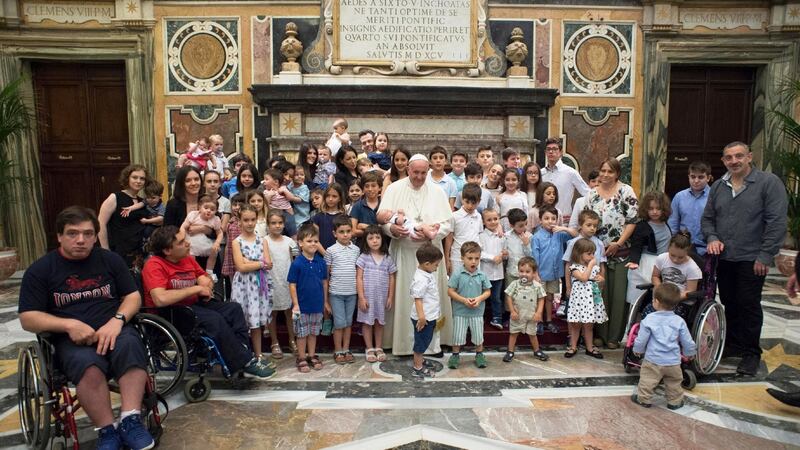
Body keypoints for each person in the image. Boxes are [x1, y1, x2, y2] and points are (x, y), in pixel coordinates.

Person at [19, 206, 155, 450]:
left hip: (114, 329)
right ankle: (107, 430)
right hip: (70, 340)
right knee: (88, 367)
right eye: (72, 233)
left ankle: (131, 419)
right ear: (59, 236)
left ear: (95, 236)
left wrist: (117, 320)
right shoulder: (41, 270)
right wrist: (68, 324)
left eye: (88, 234)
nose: (81, 240)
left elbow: (133, 296)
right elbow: (28, 318)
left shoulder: (109, 260)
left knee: (132, 347)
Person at [142, 226, 275, 378]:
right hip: (171, 313)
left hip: (192, 306)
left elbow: (206, 278)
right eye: (181, 242)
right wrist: (196, 289)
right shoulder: (154, 265)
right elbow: (160, 299)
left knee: (234, 309)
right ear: (167, 250)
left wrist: (205, 283)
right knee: (214, 319)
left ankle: (242, 355)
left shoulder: (187, 259)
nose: (187, 243)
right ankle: (243, 361)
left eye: (185, 239)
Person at [702, 141, 787, 376]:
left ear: (749, 157)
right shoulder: (719, 186)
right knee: (730, 302)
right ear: (723, 161)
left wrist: (765, 255)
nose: (734, 161)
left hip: (752, 258)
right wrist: (712, 237)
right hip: (725, 258)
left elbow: (777, 222)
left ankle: (751, 353)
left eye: (739, 156)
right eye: (729, 157)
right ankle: (734, 344)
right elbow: (708, 219)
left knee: (749, 304)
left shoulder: (769, 183)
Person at [380, 154, 454, 355]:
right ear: (408, 170)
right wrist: (392, 231)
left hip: (430, 257)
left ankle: (431, 344)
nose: (419, 177)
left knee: (430, 300)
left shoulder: (437, 191)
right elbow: (382, 219)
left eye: (423, 173)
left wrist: (432, 233)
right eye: (416, 173)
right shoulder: (394, 189)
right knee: (406, 298)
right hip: (404, 254)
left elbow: (448, 224)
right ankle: (403, 344)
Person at [585, 157, 639, 349]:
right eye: (603, 171)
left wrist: (618, 243)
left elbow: (632, 221)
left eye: (610, 171)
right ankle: (600, 333)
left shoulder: (626, 191)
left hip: (620, 251)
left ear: (617, 174)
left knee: (617, 296)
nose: (606, 175)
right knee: (600, 293)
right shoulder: (592, 194)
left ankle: (614, 336)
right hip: (597, 253)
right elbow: (587, 220)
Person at [631, 283, 696, 410]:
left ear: (656, 301)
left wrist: (637, 350)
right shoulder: (679, 321)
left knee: (647, 381)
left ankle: (643, 399)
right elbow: (687, 341)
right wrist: (689, 353)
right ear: (676, 304)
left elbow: (641, 339)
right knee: (674, 383)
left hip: (653, 360)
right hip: (673, 361)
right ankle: (675, 402)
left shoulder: (649, 319)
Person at [230, 205, 273, 361]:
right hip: (243, 285)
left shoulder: (263, 241)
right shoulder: (237, 242)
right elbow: (240, 267)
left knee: (256, 321)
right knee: (243, 320)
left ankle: (259, 354)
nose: (249, 223)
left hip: (258, 286)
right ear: (240, 221)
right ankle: (244, 354)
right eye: (246, 220)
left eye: (252, 219)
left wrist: (251, 262)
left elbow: (269, 263)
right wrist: (259, 263)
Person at [288, 223, 329, 373]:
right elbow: (292, 285)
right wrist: (296, 304)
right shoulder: (297, 263)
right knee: (302, 333)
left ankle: (312, 355)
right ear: (300, 243)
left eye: (315, 241)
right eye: (309, 241)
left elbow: (324, 283)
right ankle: (301, 357)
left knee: (313, 332)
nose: (313, 244)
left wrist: (325, 302)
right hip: (302, 307)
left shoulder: (321, 262)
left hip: (317, 305)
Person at [531, 206, 576, 334]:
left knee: (550, 297)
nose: (550, 221)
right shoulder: (537, 237)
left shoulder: (560, 234)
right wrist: (536, 274)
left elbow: (576, 235)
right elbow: (535, 256)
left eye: (553, 218)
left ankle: (549, 320)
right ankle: (538, 321)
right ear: (540, 220)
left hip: (555, 274)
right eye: (546, 218)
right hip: (541, 274)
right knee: (540, 298)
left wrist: (563, 228)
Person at [447, 241, 492, 369]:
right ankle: (455, 355)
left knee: (478, 335)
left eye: (476, 259)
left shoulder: (482, 275)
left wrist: (479, 298)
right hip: (460, 312)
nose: (473, 261)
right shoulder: (457, 274)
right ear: (462, 259)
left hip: (477, 312)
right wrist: (463, 300)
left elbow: (488, 291)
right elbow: (450, 291)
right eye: (470, 258)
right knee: (458, 335)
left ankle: (479, 354)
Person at [356, 225, 397, 363]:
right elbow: (359, 278)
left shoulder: (387, 258)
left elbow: (392, 276)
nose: (374, 240)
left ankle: (379, 347)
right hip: (367, 297)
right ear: (366, 241)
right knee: (367, 323)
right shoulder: (364, 257)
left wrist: (390, 296)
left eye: (377, 237)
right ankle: (369, 348)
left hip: (381, 298)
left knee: (379, 322)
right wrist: (361, 297)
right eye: (371, 238)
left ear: (382, 239)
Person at [325, 214, 361, 364]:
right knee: (339, 323)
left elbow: (358, 272)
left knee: (347, 322)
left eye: (348, 231)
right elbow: (326, 276)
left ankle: (346, 349)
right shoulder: (330, 250)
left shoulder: (356, 250)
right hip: (336, 293)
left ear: (352, 232)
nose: (345, 234)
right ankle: (338, 350)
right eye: (341, 231)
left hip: (352, 293)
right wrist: (326, 299)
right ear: (335, 233)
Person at [98, 164, 150, 268]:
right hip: (120, 253)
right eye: (134, 177)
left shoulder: (143, 201)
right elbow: (100, 223)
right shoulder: (115, 197)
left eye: (142, 178)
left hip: (140, 254)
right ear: (127, 178)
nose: (138, 181)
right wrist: (106, 251)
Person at [625, 192, 673, 304]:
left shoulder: (665, 223)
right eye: (651, 208)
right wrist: (634, 261)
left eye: (658, 208)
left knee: (659, 299)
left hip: (664, 264)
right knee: (641, 300)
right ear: (645, 209)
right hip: (647, 265)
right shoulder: (642, 226)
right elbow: (636, 246)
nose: (654, 212)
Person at [564, 238, 608, 359]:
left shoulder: (593, 267)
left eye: (593, 253)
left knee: (589, 326)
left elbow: (598, 280)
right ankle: (573, 346)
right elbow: (583, 278)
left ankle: (589, 347)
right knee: (576, 325)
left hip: (590, 300)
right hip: (579, 300)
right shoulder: (574, 268)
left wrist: (601, 279)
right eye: (589, 254)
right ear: (579, 254)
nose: (592, 256)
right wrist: (590, 265)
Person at [265, 210, 299, 358]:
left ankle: (292, 340)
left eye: (280, 223)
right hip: (271, 281)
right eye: (273, 223)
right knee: (272, 312)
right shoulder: (264, 241)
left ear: (284, 224)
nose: (277, 226)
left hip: (287, 282)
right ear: (268, 225)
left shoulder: (289, 241)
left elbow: (296, 260)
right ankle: (274, 342)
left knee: (289, 312)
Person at [503, 257, 549, 363]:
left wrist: (539, 313)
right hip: (517, 315)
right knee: (513, 333)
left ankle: (537, 350)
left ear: (534, 273)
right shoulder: (514, 284)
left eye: (528, 272)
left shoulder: (537, 286)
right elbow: (508, 296)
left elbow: (542, 299)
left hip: (531, 316)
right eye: (521, 271)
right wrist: (512, 311)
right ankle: (510, 351)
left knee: (532, 334)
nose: (524, 274)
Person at [410, 243, 443, 379]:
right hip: (424, 318)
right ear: (427, 264)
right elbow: (418, 299)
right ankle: (417, 367)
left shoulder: (426, 273)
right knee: (421, 342)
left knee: (426, 340)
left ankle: (420, 360)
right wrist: (422, 317)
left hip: (429, 315)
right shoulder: (421, 279)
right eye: (436, 265)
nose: (437, 267)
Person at [540, 137, 589, 225]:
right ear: (545, 152)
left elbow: (588, 193)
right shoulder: (541, 173)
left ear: (561, 152)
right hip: (544, 221)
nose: (551, 152)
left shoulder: (570, 173)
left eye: (555, 149)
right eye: (548, 149)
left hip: (564, 222)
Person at [669, 161, 712, 255]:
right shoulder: (679, 197)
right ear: (688, 176)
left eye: (700, 177)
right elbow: (673, 224)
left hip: (708, 250)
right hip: (683, 249)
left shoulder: (714, 196)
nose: (696, 180)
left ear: (708, 178)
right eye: (693, 177)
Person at [563, 210, 606, 301]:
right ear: (580, 225)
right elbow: (568, 265)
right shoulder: (573, 243)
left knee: (593, 310)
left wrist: (602, 280)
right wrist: (568, 286)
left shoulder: (599, 244)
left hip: (594, 286)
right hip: (577, 286)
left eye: (595, 226)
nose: (592, 228)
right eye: (589, 225)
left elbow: (602, 264)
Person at [180, 195, 223, 281]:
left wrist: (217, 242)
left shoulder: (215, 220)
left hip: (207, 245)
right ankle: (193, 271)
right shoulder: (193, 215)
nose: (209, 211)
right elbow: (183, 227)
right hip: (193, 243)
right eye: (206, 207)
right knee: (190, 256)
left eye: (212, 209)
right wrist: (182, 239)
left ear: (216, 211)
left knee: (214, 252)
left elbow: (220, 233)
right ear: (199, 207)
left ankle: (209, 271)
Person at [444, 184, 483, 276]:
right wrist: (447, 259)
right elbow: (449, 239)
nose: (470, 206)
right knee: (457, 285)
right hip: (457, 257)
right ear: (462, 199)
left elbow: (479, 235)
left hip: (475, 258)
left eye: (474, 203)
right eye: (467, 202)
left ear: (479, 201)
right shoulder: (454, 216)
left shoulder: (478, 216)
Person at [479, 208, 507, 329]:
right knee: (483, 296)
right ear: (484, 222)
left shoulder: (502, 236)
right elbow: (479, 253)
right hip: (485, 272)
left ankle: (497, 318)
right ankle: (480, 316)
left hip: (499, 274)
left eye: (495, 219)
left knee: (496, 297)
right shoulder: (481, 236)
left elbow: (505, 251)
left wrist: (504, 255)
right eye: (489, 220)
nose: (493, 222)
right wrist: (492, 258)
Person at [651, 232, 702, 299]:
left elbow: (690, 291)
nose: (675, 260)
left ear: (687, 252)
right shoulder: (661, 258)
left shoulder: (692, 268)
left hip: (679, 299)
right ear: (668, 248)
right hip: (662, 296)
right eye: (672, 255)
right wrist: (659, 287)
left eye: (680, 257)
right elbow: (655, 276)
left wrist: (673, 299)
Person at [312, 183, 347, 253]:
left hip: (340, 256)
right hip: (321, 255)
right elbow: (315, 240)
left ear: (340, 198)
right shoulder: (318, 217)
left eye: (334, 196)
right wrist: (326, 255)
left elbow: (346, 239)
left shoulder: (344, 217)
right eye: (328, 196)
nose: (330, 199)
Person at [350, 172, 382, 247]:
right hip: (363, 247)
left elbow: (386, 230)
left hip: (383, 246)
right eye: (366, 186)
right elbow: (353, 231)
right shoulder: (357, 206)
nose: (370, 189)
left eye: (373, 186)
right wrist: (377, 230)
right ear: (363, 189)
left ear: (380, 188)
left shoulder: (384, 204)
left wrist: (365, 227)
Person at [504, 208, 532, 289]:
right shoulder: (506, 236)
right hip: (511, 272)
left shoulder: (529, 236)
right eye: (521, 226)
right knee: (510, 296)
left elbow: (531, 256)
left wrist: (526, 244)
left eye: (525, 224)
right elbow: (505, 256)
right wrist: (504, 254)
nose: (524, 227)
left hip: (526, 273)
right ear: (511, 225)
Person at [498, 168, 528, 232]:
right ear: (504, 181)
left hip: (520, 228)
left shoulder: (523, 195)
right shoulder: (499, 197)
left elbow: (526, 213)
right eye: (507, 180)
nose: (510, 182)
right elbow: (497, 216)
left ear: (518, 181)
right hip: (505, 229)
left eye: (514, 180)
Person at [289, 164, 311, 229]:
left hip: (303, 215)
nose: (299, 177)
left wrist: (291, 197)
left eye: (302, 175)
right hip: (294, 213)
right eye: (296, 175)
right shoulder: (291, 185)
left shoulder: (304, 188)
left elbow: (299, 200)